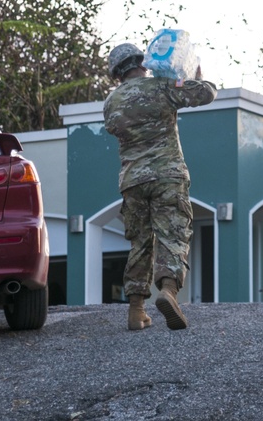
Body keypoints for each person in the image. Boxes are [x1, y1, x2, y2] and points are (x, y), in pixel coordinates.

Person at [103, 42, 217, 331]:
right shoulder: (162, 86)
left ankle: (136, 310)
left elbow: (115, 128)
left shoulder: (111, 103)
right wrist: (197, 75)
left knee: (140, 242)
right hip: (168, 175)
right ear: (142, 62)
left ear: (117, 73)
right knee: (173, 234)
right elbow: (206, 94)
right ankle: (168, 290)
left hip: (132, 181)